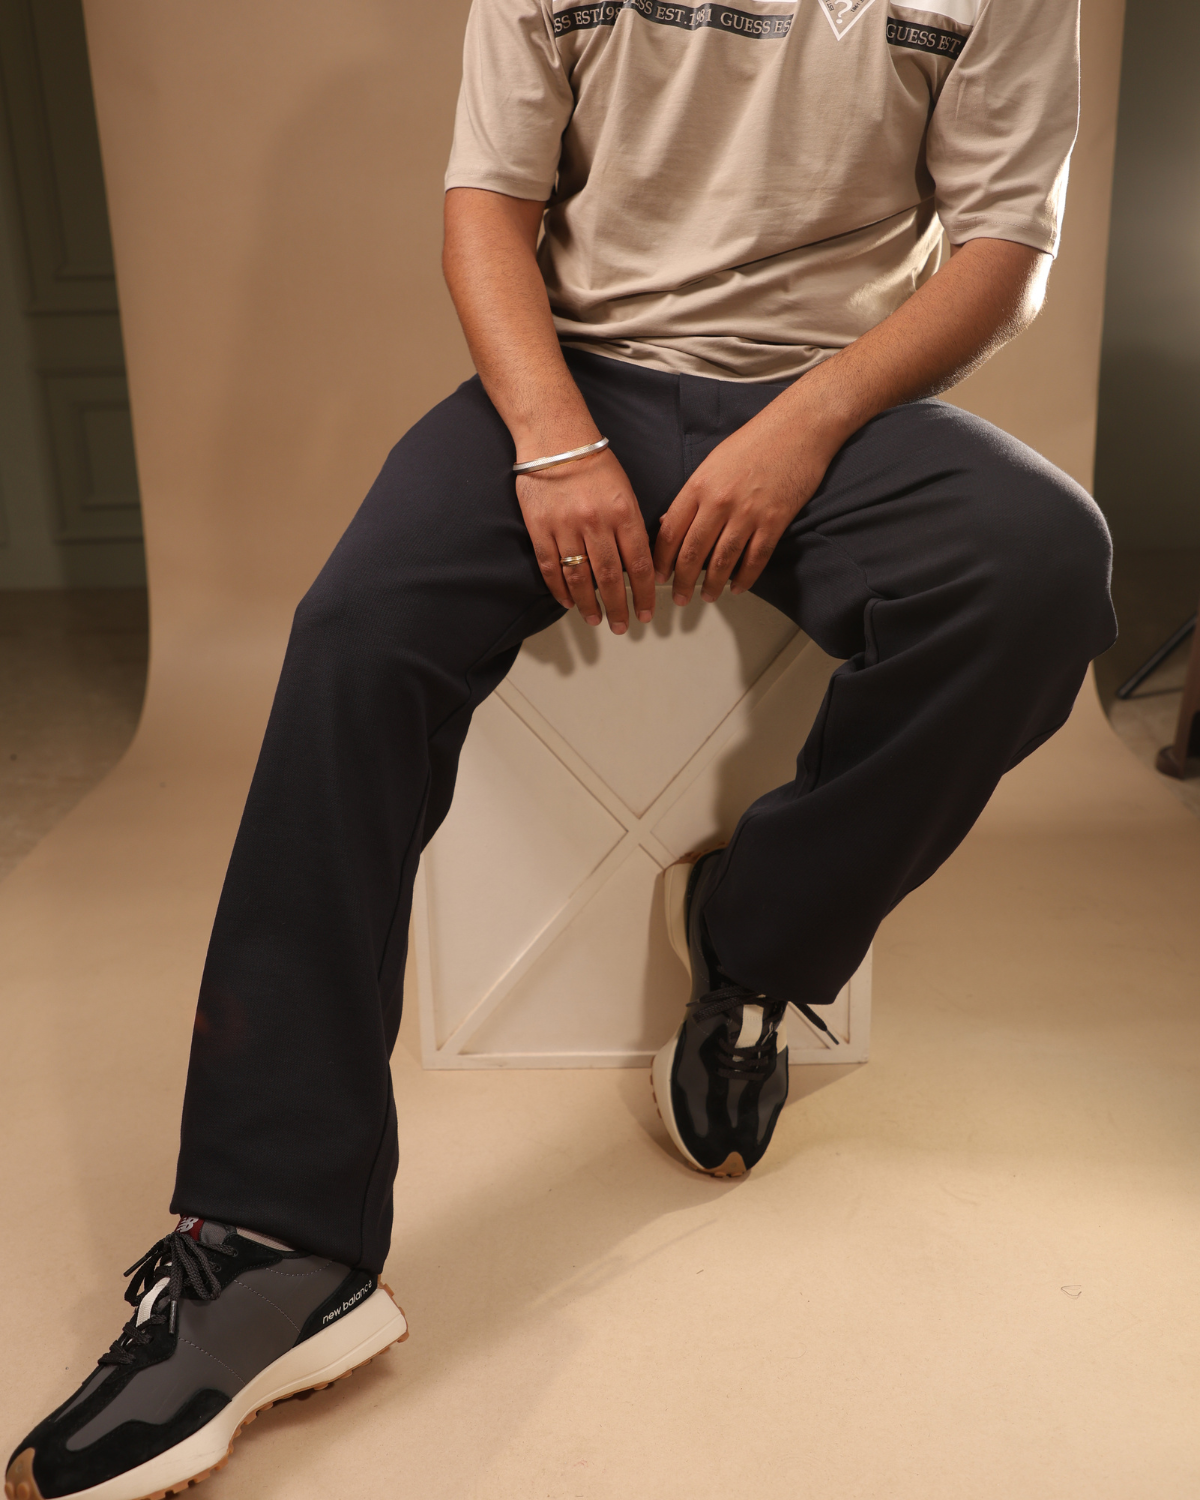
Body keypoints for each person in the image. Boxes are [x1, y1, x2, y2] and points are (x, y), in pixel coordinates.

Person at [6, 1, 1116, 1496]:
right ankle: (274, 1246)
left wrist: (806, 423)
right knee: (353, 635)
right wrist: (551, 436)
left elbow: (1004, 245)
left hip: (843, 409)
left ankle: (757, 946)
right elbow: (489, 203)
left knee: (1042, 572)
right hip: (579, 377)